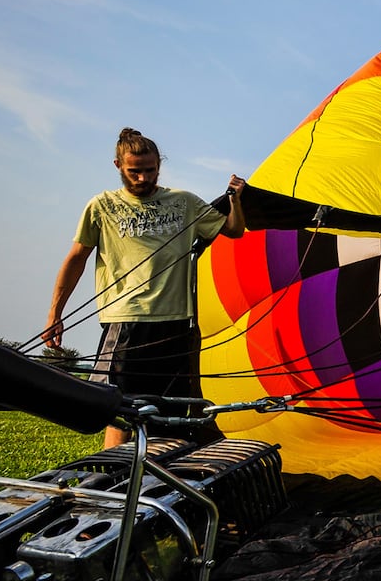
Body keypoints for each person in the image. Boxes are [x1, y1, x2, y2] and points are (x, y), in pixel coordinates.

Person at [44, 128, 247, 446]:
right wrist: (55, 313)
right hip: (127, 321)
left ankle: (161, 481)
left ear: (159, 166)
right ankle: (115, 481)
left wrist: (235, 198)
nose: (142, 178)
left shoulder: (184, 202)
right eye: (133, 171)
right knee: (120, 407)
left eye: (149, 170)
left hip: (176, 322)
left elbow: (233, 230)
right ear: (117, 166)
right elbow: (75, 259)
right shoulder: (102, 206)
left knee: (168, 408)